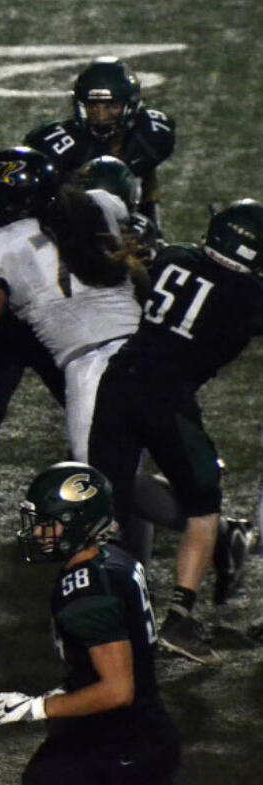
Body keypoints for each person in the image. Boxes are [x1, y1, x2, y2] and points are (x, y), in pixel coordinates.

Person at [0, 56, 176, 568]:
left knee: (96, 468)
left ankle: (122, 561)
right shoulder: (102, 207)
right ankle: (199, 515)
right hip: (129, 343)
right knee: (128, 452)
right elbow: (133, 256)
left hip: (72, 345)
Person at [87, 198, 263, 662]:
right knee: (205, 504)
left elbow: (157, 278)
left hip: (118, 380)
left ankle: (95, 616)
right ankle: (179, 618)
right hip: (168, 399)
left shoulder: (176, 255)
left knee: (108, 501)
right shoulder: (249, 298)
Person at [0, 462, 180, 785]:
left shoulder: (85, 591)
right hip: (137, 733)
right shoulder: (115, 559)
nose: (37, 533)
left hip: (124, 747)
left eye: (48, 524)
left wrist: (40, 707)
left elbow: (118, 690)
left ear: (77, 523)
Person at [0, 147, 143, 466]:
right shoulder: (99, 203)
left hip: (93, 363)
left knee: (99, 481)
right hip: (150, 350)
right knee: (172, 472)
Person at [24, 55, 175, 237]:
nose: (101, 115)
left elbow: (148, 175)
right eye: (93, 106)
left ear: (130, 105)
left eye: (111, 105)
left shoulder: (148, 136)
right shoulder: (61, 148)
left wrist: (154, 228)